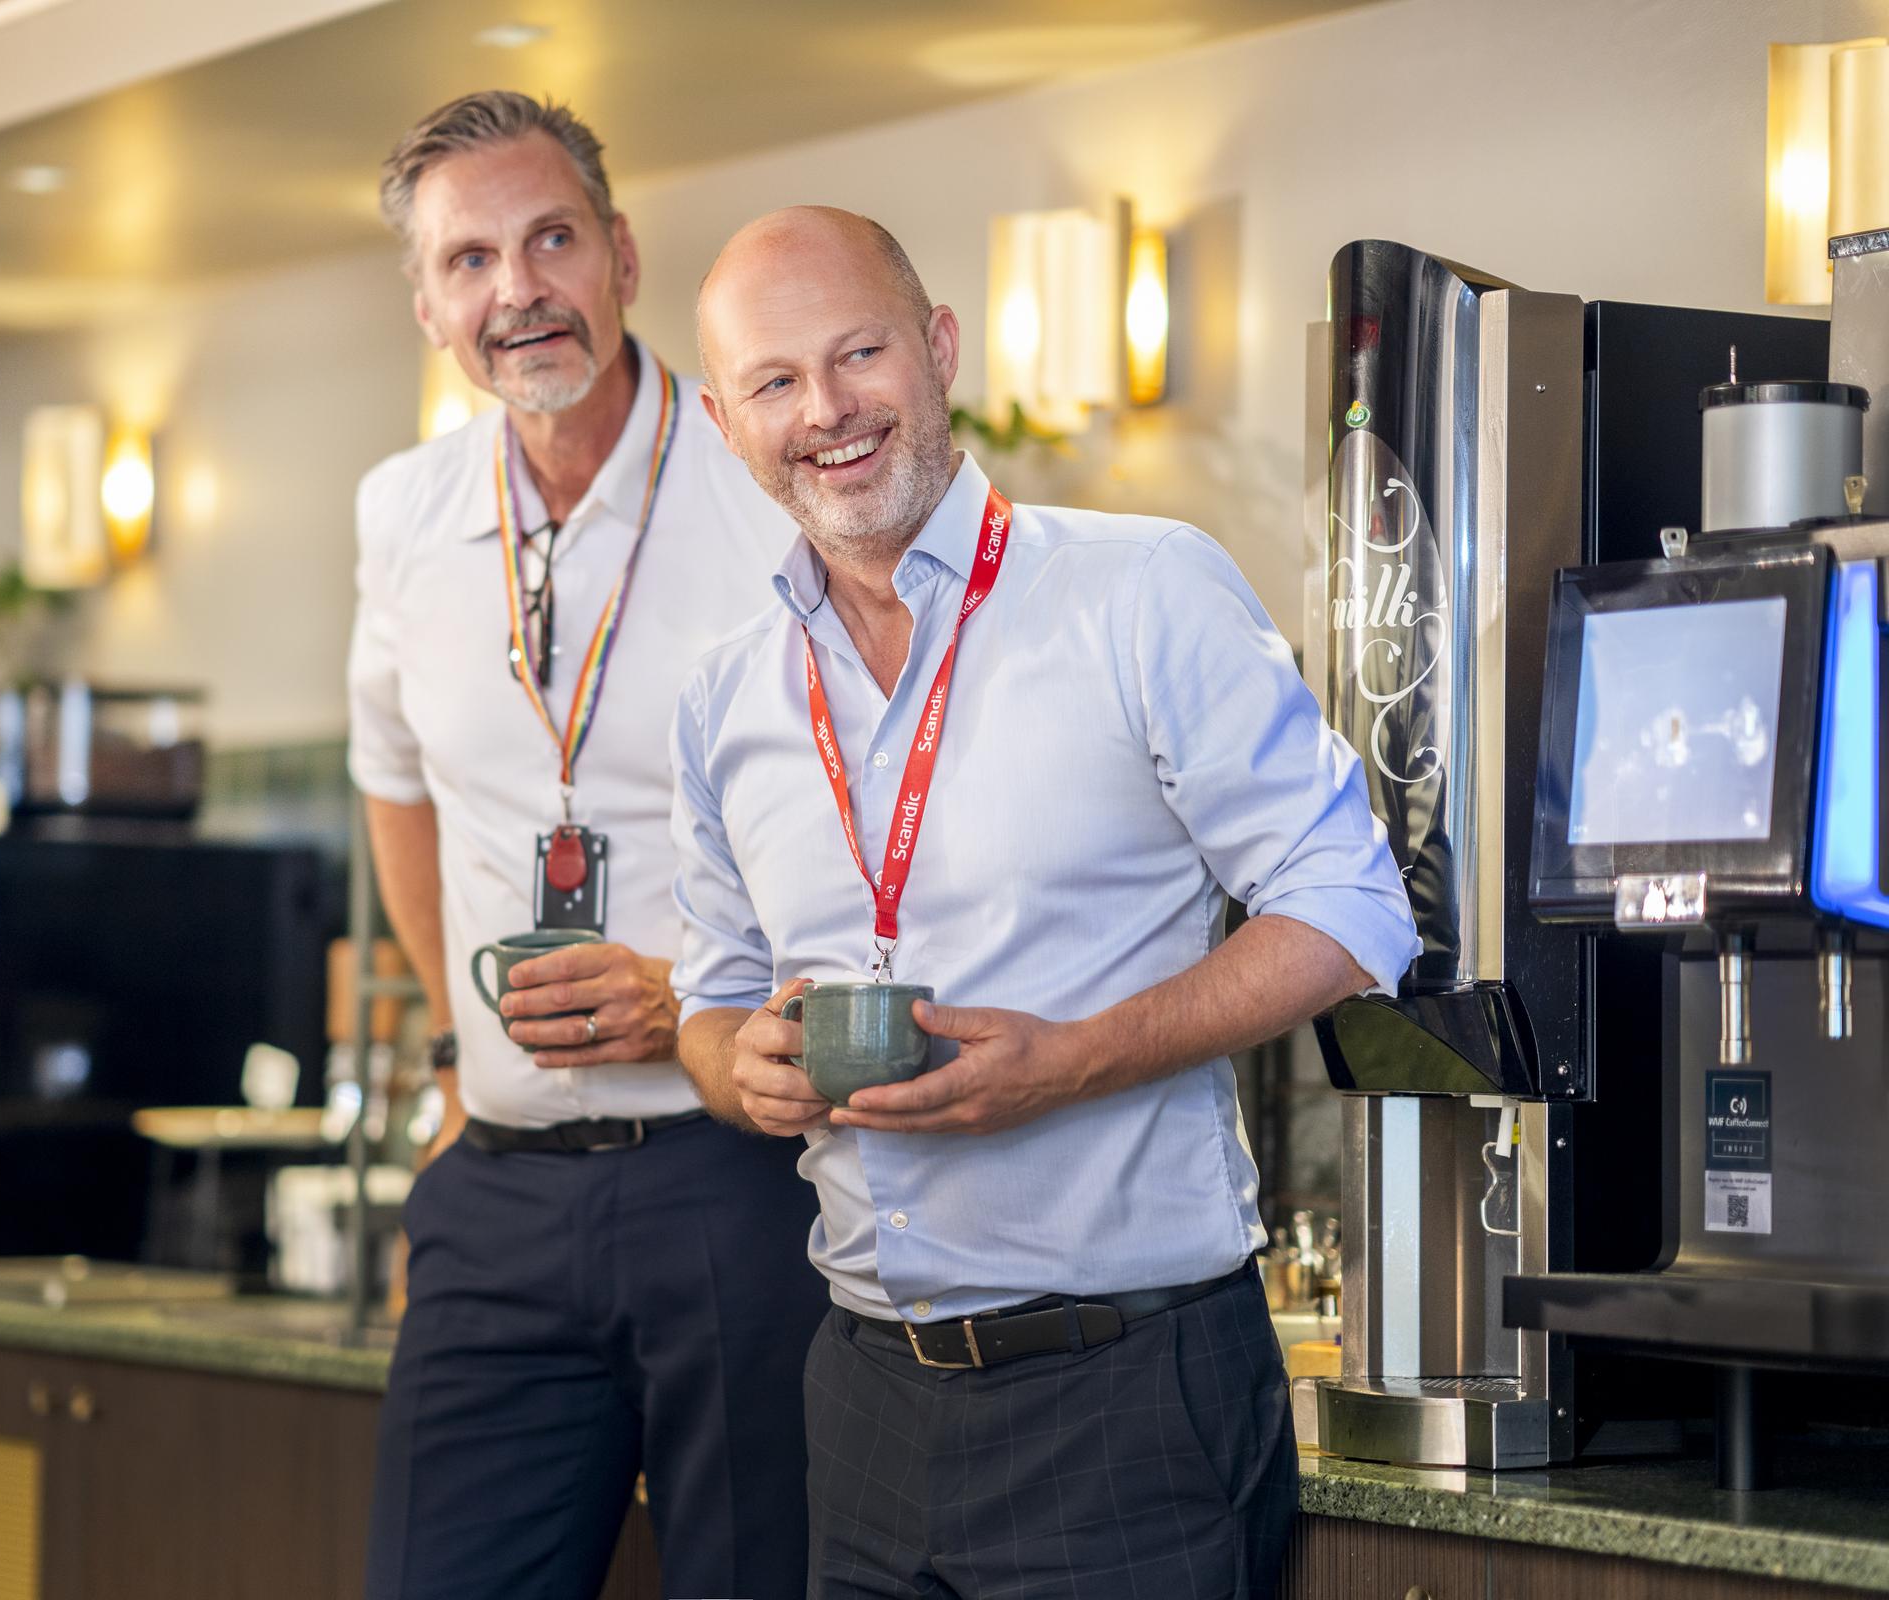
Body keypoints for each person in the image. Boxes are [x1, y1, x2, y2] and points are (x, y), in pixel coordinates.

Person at [671, 206, 1420, 1599]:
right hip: (859, 1391)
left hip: (1123, 1390)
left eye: (860, 354)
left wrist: (1069, 1061)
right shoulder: (726, 698)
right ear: (726, 422)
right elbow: (709, 1002)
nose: (826, 410)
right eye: (775, 382)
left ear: (939, 348)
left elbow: (1352, 907)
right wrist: (740, 1067)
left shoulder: (1142, 590)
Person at [347, 95, 823, 1600]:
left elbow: (879, 827)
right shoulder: (403, 514)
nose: (518, 291)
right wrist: (447, 1037)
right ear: (428, 305)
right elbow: (394, 785)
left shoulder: (771, 498)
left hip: (736, 1186)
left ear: (621, 256)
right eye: (470, 260)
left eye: (552, 239)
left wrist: (687, 997)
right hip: (496, 1190)